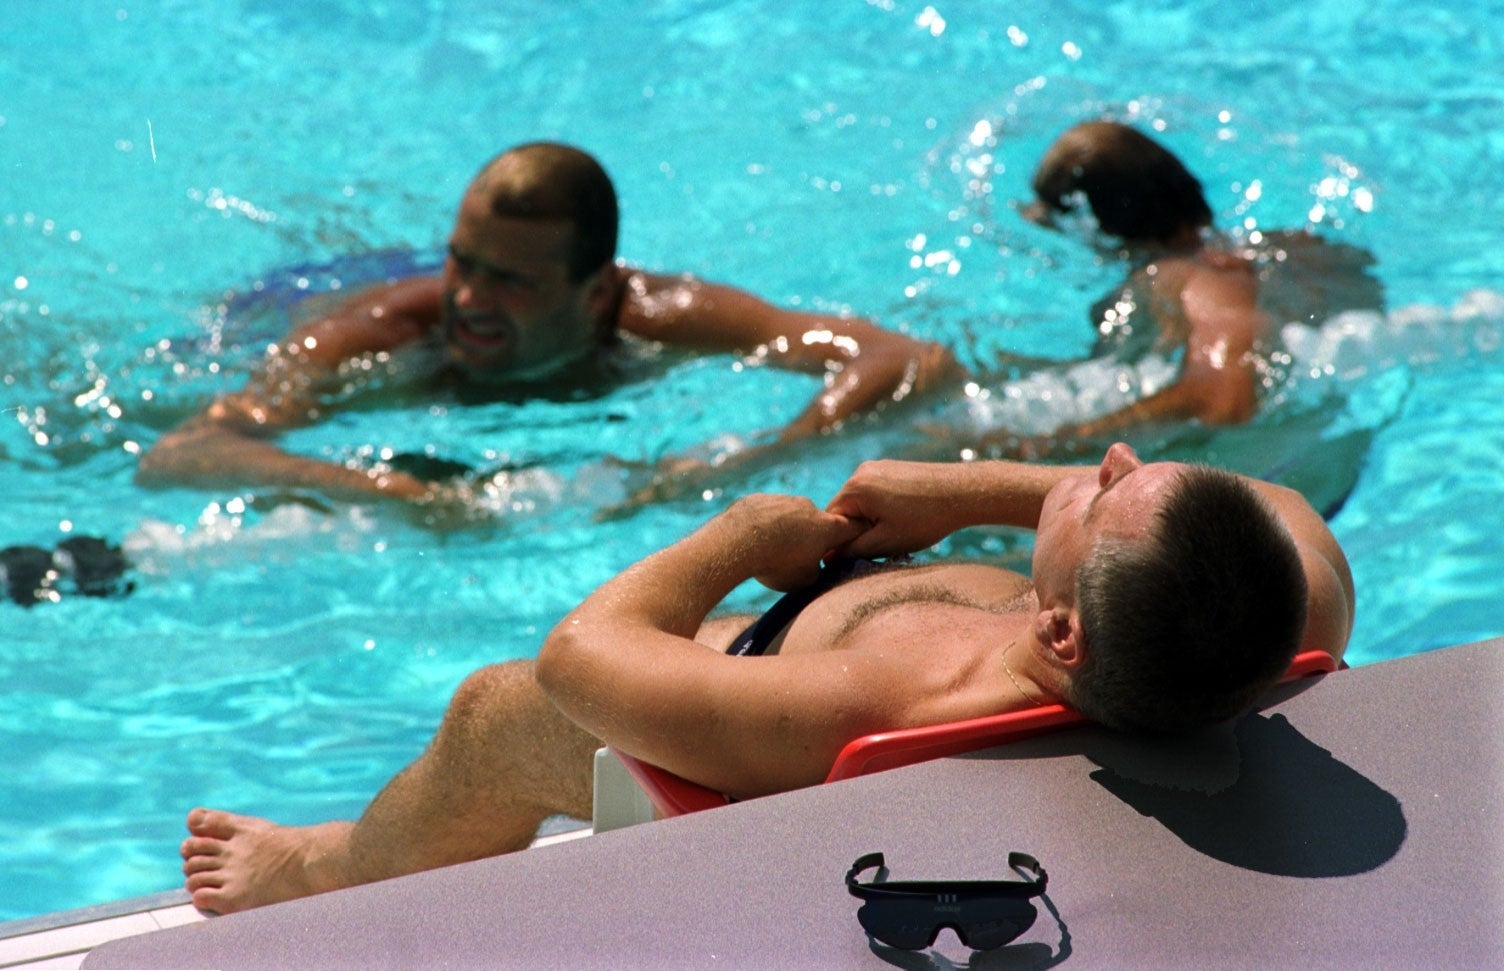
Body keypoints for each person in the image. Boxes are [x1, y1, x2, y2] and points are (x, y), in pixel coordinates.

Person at [178, 442, 1353, 914]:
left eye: (1105, 493)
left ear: (1060, 635)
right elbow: (1283, 510)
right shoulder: (1253, 621)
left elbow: (579, 657)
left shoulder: (884, 705)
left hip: (751, 689)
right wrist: (975, 492)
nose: (1110, 456)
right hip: (868, 621)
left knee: (495, 711)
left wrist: (737, 538)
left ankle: (319, 865)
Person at [136, 142, 957, 508]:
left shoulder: (654, 315)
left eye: (509, 280)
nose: (467, 299)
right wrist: (385, 490)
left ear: (597, 290)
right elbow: (183, 454)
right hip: (266, 314)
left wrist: (761, 455)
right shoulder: (378, 336)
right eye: (462, 262)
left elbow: (911, 359)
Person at [955, 119, 1384, 457]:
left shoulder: (1183, 277)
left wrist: (1061, 443)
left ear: (1099, 230)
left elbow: (1227, 397)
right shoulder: (1297, 246)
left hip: (1288, 467)